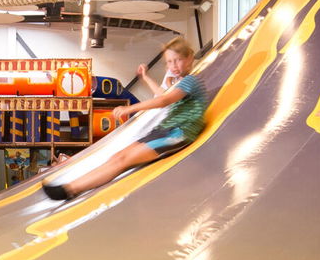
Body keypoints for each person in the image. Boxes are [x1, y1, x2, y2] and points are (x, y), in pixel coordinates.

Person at [44, 38, 207, 201]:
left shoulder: (191, 81)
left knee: (122, 160)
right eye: (169, 62)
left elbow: (164, 101)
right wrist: (145, 77)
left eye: (178, 60)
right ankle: (70, 186)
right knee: (117, 156)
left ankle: (70, 189)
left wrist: (129, 108)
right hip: (165, 130)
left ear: (189, 58)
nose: (173, 66)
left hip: (178, 134)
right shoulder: (180, 83)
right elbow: (162, 95)